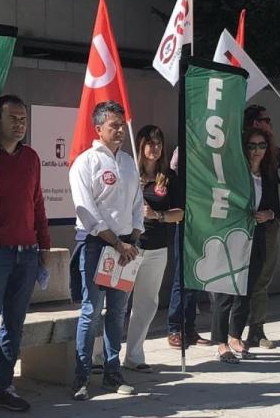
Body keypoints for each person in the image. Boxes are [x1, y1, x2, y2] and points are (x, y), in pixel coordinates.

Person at [0, 95, 50, 418]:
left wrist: (43, 247)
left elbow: (38, 204)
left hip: (27, 254)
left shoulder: (31, 158)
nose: (19, 124)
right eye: (13, 118)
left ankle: (4, 386)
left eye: (23, 119)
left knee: (14, 324)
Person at [69, 101, 142, 400]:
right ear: (98, 129)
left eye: (122, 125)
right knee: (91, 311)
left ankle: (113, 374)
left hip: (125, 247)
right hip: (97, 244)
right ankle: (81, 377)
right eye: (114, 126)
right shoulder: (85, 163)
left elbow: (137, 204)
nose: (120, 130)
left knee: (118, 312)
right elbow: (87, 212)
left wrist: (134, 238)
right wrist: (116, 242)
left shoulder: (128, 162)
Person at [211, 127, 278, 364]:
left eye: (261, 146)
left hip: (257, 238)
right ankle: (220, 342)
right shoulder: (234, 174)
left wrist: (268, 214)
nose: (257, 151)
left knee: (246, 292)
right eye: (252, 146)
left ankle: (235, 335)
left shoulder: (269, 175)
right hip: (233, 237)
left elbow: (276, 210)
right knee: (225, 292)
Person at [121, 125, 184, 372]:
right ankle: (101, 356)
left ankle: (134, 356)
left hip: (157, 249)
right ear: (140, 145)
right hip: (128, 247)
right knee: (117, 304)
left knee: (146, 304)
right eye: (150, 143)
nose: (155, 148)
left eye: (159, 143)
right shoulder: (128, 173)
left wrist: (156, 214)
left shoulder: (169, 177)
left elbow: (180, 214)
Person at [242, 105, 280, 349]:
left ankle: (257, 330)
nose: (270, 124)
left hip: (268, 225)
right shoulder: (238, 152)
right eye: (265, 120)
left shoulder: (272, 152)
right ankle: (233, 332)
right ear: (254, 123)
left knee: (262, 278)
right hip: (242, 227)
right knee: (242, 279)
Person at [165, 147, 209, 349]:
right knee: (181, 278)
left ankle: (189, 328)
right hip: (184, 220)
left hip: (203, 220)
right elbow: (174, 168)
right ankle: (175, 328)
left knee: (196, 276)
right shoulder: (185, 145)